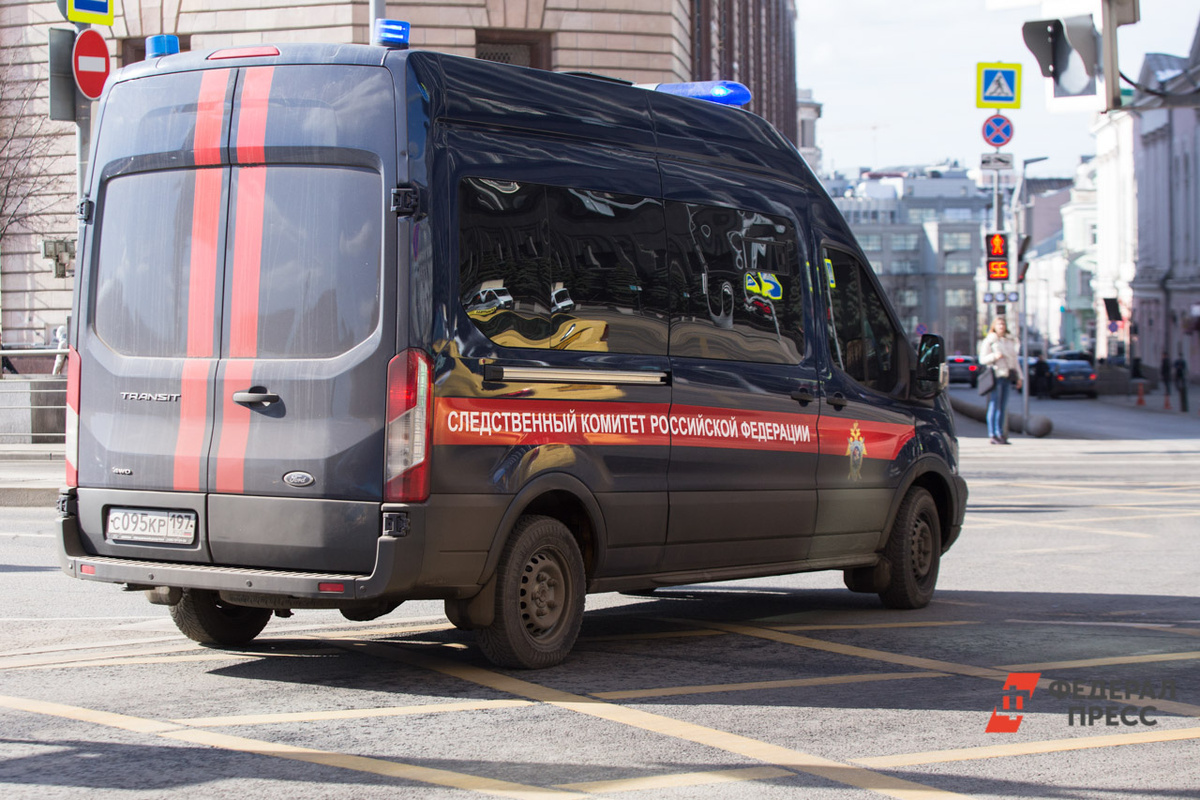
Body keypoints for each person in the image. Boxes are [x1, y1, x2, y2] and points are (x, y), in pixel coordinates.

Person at [979, 317, 1023, 444]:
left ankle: (1001, 434)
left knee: (1003, 407)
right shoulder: (990, 341)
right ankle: (992, 434)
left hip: (1007, 375)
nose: (1001, 326)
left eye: (1003, 324)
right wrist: (994, 356)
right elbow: (982, 359)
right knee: (994, 405)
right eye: (999, 324)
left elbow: (1014, 361)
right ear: (994, 326)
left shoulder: (1009, 340)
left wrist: (1020, 377)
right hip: (996, 376)